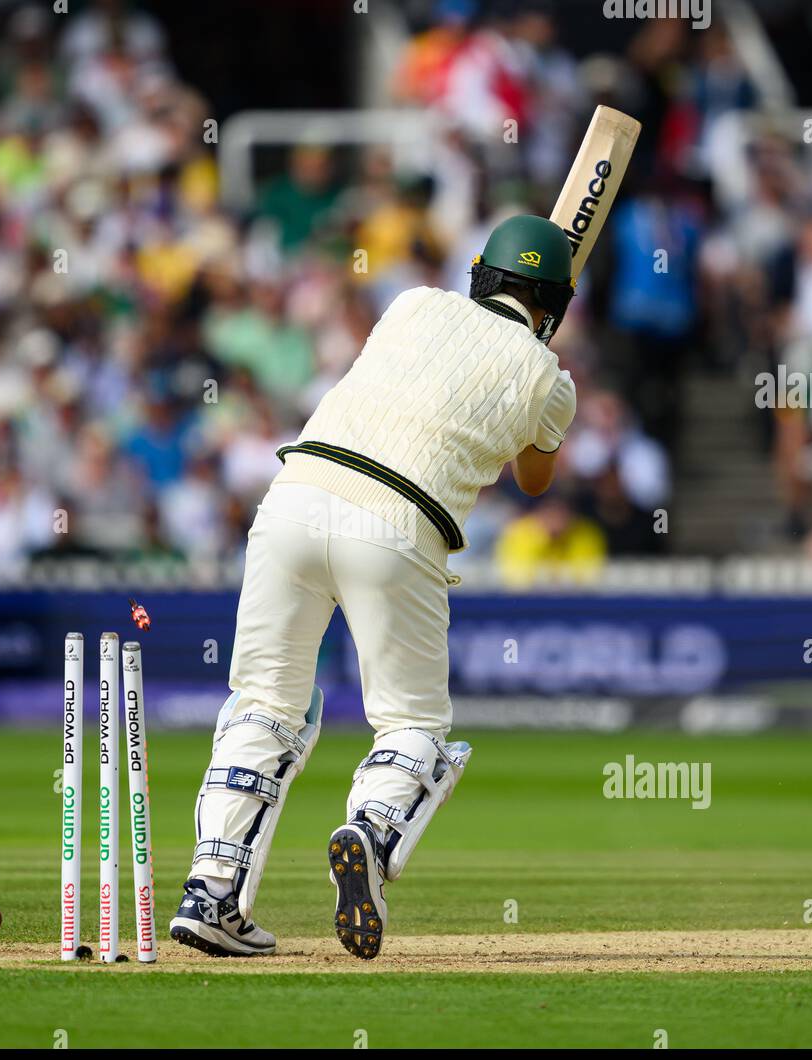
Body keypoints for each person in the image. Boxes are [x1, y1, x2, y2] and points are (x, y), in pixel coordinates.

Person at [168, 216, 579, 959]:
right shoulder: (549, 380)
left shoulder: (413, 303)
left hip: (294, 493)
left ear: (479, 272)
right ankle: (372, 827)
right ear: (559, 303)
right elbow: (535, 475)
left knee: (263, 703)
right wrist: (545, 375)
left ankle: (210, 892)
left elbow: (429, 383)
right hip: (399, 523)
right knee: (414, 725)